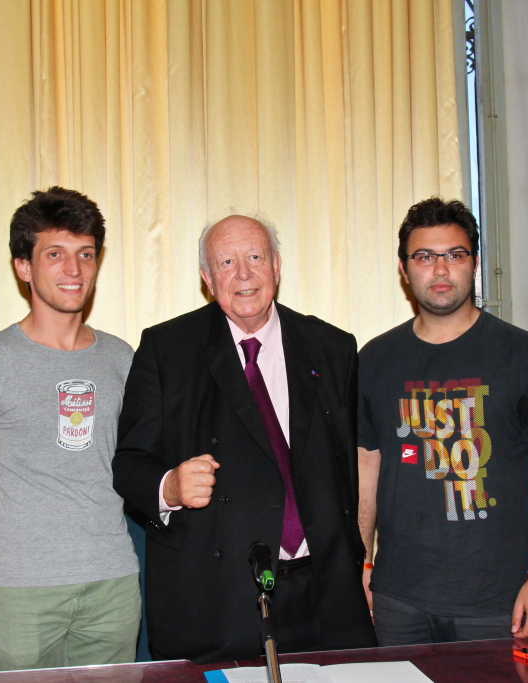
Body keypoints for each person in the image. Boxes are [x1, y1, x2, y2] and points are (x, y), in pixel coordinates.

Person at [113, 215, 376, 663]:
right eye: (226, 262)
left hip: (326, 596)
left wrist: (364, 562)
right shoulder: (166, 349)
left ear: (276, 265)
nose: (243, 273)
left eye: (255, 257)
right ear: (206, 278)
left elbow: (351, 469)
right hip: (218, 599)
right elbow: (130, 463)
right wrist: (169, 487)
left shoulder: (333, 347)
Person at [357, 197, 528, 645]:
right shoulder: (375, 360)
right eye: (425, 256)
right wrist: (361, 564)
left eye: (455, 255)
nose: (440, 270)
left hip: (501, 602)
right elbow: (366, 470)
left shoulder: (522, 355)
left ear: (475, 264)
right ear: (405, 270)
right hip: (398, 600)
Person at [0, 187, 140, 671]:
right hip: (18, 595)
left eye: (85, 254)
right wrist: (6, 561)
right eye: (55, 254)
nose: (73, 270)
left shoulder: (122, 358)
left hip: (112, 584)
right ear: (23, 267)